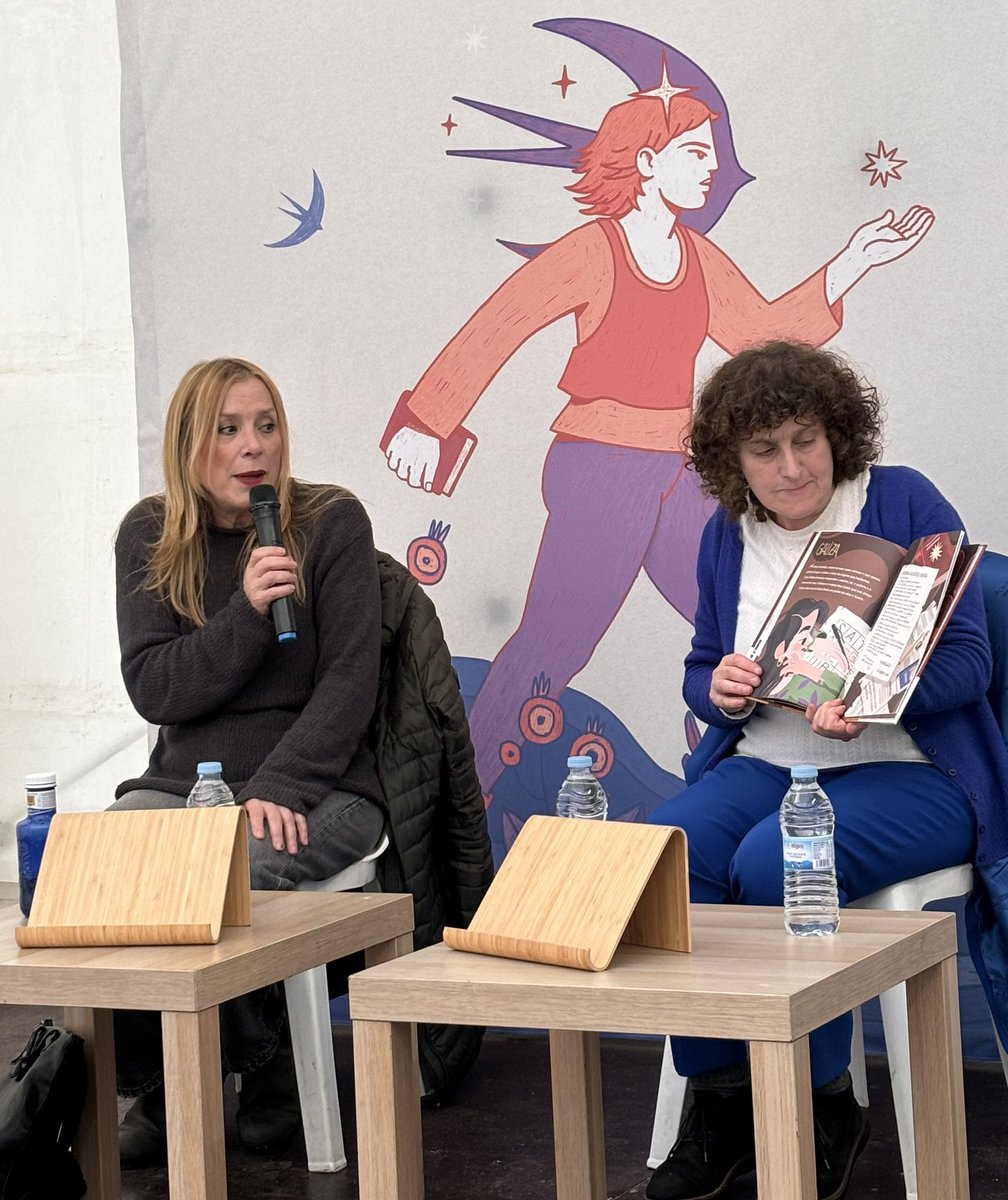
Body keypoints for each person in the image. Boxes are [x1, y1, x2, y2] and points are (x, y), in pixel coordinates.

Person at [383, 80, 933, 803]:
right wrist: (428, 418)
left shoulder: (697, 257)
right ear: (645, 161)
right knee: (552, 648)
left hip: (678, 473)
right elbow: (503, 320)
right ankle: (460, 806)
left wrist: (852, 261)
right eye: (697, 151)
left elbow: (759, 337)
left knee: (755, 628)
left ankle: (785, 776)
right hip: (602, 470)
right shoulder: (594, 251)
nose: (713, 167)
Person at [646, 340, 1008, 1200]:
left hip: (911, 770)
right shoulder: (724, 533)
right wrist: (723, 688)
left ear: (837, 433)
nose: (791, 465)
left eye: (805, 439)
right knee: (666, 852)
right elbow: (702, 669)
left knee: (779, 861)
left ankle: (824, 1101)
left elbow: (970, 665)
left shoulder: (902, 498)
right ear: (732, 460)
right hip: (769, 759)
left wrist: (878, 693)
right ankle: (722, 1099)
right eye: (764, 449)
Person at [110, 358, 386, 1166]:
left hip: (320, 782)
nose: (251, 446)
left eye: (265, 425)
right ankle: (159, 1086)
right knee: (109, 862)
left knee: (235, 867)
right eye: (228, 429)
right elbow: (156, 686)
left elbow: (349, 684)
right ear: (189, 443)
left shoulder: (329, 522)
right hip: (181, 785)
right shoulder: (148, 535)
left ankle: (267, 1072)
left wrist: (281, 786)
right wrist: (247, 613)